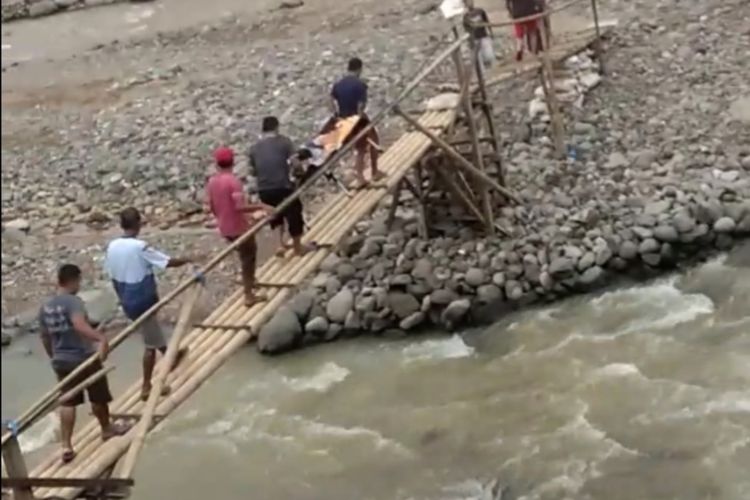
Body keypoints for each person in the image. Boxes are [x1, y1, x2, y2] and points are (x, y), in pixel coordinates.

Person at [38, 264, 126, 464]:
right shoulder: (73, 301)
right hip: (82, 356)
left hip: (61, 360)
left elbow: (44, 336)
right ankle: (106, 429)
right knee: (98, 395)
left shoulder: (46, 306)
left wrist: (54, 356)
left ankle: (66, 445)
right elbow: (78, 325)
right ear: (73, 280)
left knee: (68, 401)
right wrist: (100, 338)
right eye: (79, 281)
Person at [104, 207, 191, 401]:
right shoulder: (139, 247)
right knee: (150, 344)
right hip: (142, 299)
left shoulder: (112, 246)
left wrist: (122, 298)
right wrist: (186, 260)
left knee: (152, 332)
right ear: (137, 224)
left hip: (126, 297)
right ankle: (146, 386)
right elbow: (166, 262)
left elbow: (112, 276)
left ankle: (170, 355)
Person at [206, 146, 272, 306]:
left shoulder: (212, 182)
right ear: (233, 162)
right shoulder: (233, 182)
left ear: (217, 164)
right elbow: (239, 207)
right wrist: (261, 206)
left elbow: (212, 206)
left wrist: (221, 218)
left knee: (244, 255)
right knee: (248, 257)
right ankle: (249, 294)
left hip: (225, 227)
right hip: (238, 227)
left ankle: (250, 281)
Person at [249, 116, 314, 257]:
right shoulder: (284, 142)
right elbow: (295, 163)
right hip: (282, 185)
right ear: (276, 127)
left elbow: (253, 171)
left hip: (264, 189)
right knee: (294, 212)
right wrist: (300, 173)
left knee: (274, 215)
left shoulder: (254, 148)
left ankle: (279, 245)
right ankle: (298, 247)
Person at [330, 57, 385, 188]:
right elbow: (360, 105)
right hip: (356, 119)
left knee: (359, 146)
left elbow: (331, 98)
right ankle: (369, 174)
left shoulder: (338, 84)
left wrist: (336, 113)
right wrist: (360, 119)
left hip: (343, 118)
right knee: (368, 143)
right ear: (359, 69)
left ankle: (368, 173)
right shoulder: (360, 85)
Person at [462, 0, 495, 73]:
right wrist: (470, 42)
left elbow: (487, 22)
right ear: (465, 4)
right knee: (479, 60)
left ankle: (492, 71)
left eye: (470, 1)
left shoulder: (480, 11)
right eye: (467, 2)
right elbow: (467, 30)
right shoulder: (466, 17)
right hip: (475, 39)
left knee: (489, 55)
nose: (470, 3)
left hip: (484, 36)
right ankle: (483, 74)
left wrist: (491, 32)